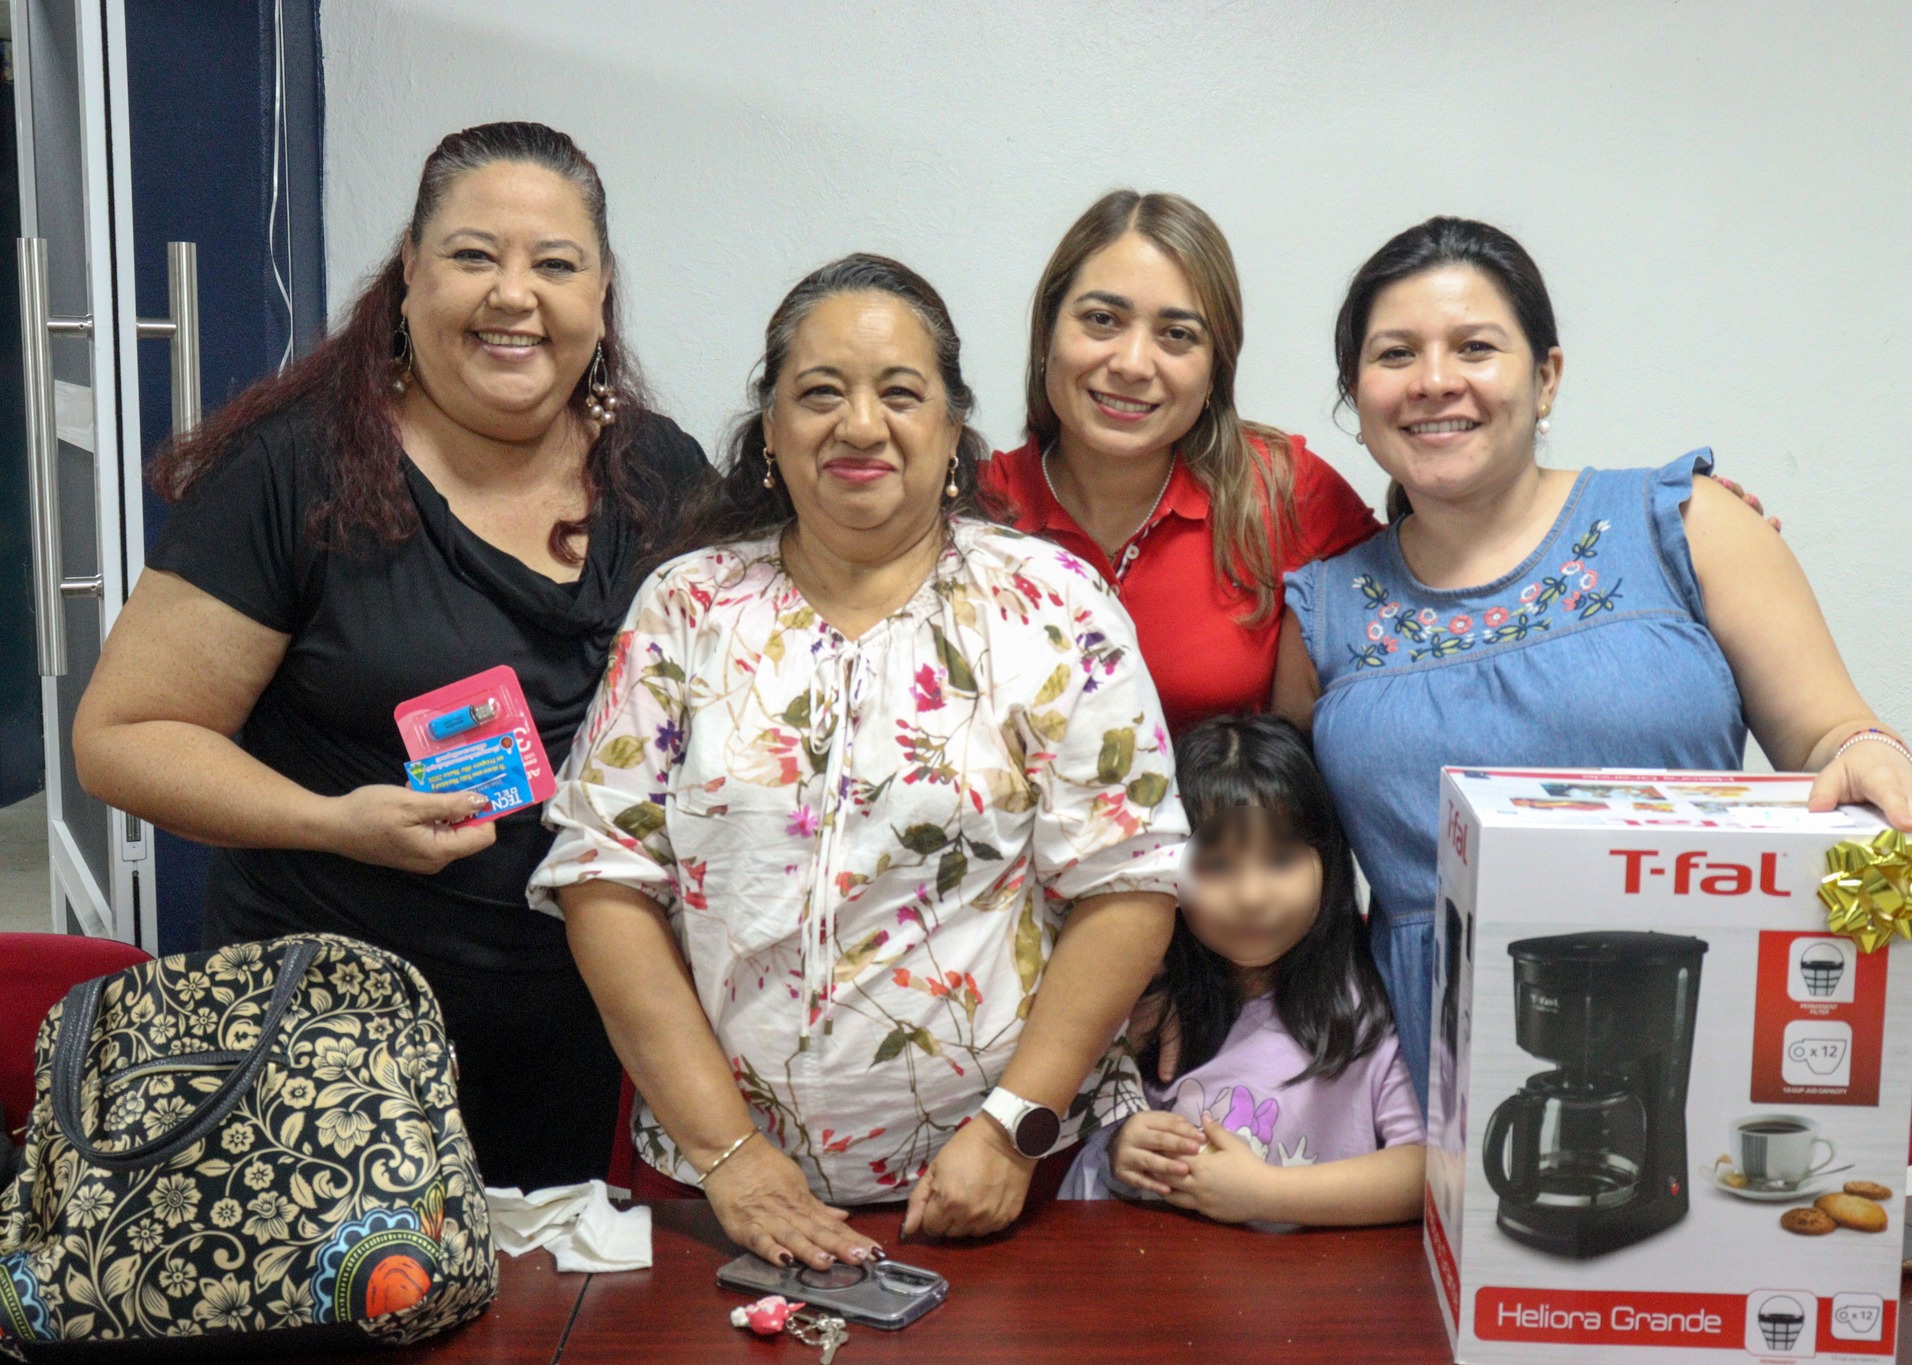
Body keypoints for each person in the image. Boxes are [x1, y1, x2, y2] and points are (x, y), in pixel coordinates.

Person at [71, 122, 712, 1189]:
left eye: (556, 264)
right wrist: (332, 822)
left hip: (578, 1041)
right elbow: (123, 737)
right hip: (322, 1048)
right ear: (410, 270)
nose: (515, 295)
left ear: (601, 291)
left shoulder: (660, 471)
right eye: (474, 255)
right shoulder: (298, 469)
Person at [530, 255, 1187, 1270]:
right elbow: (602, 880)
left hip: (1012, 1184)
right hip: (718, 1187)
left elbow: (1129, 881)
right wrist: (731, 1156)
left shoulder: (1051, 604)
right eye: (820, 393)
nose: (860, 425)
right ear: (770, 428)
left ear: (954, 428)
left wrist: (1010, 1133)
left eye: (900, 393)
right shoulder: (688, 607)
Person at [1274, 217, 1912, 1100]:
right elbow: (1280, 860)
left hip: (1698, 1029)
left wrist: (1875, 756)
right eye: (1396, 354)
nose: (1435, 380)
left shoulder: (1689, 525)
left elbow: (1830, 734)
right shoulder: (1321, 614)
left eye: (1475, 347)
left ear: (1545, 377)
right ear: (1355, 393)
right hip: (1424, 1087)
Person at [982, 191, 1383, 732]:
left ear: (1216, 367)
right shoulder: (975, 506)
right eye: (1102, 319)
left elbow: (1418, 623)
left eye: (1177, 335)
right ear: (1046, 333)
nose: (1132, 364)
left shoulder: (1282, 488)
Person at [1062, 714, 1423, 1229]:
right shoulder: (1144, 998)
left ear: (1329, 861)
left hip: (1317, 1275)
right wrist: (1122, 1143)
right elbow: (1090, 1135)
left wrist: (1267, 1194)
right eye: (1218, 866)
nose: (1251, 897)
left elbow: (1424, 1170)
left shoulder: (1370, 1005)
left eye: (1280, 859)